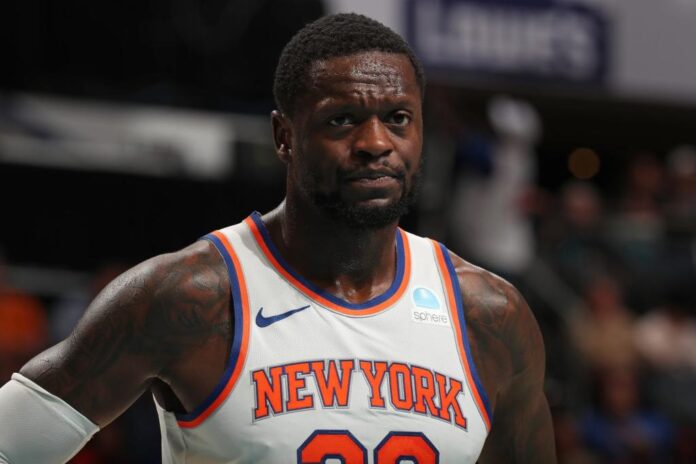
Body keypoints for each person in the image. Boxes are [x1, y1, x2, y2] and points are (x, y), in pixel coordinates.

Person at [0, 13, 555, 463]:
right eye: (342, 120)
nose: (375, 142)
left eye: (398, 118)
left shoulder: (490, 315)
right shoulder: (187, 295)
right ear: (284, 137)